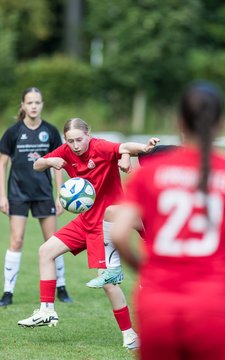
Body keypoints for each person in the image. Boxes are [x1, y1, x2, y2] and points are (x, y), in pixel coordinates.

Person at [111, 81, 225, 360]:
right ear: (220, 123)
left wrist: (147, 269)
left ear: (179, 121)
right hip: (214, 301)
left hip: (158, 301)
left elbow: (120, 233)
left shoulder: (151, 173)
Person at [17, 117, 159, 350]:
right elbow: (36, 165)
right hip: (84, 221)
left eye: (79, 140)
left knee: (108, 282)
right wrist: (50, 161)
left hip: (106, 223)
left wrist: (143, 148)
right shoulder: (66, 150)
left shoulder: (100, 147)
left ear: (89, 135)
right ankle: (47, 310)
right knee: (46, 251)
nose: (75, 145)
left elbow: (125, 148)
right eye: (70, 141)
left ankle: (129, 334)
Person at [0, 87, 72, 306]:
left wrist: (60, 194)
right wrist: (2, 195)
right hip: (17, 193)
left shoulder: (50, 131)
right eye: (29, 102)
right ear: (23, 105)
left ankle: (61, 287)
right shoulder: (12, 132)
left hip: (43, 194)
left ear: (42, 105)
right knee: (17, 240)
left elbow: (58, 165)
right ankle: (8, 292)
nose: (33, 106)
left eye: (37, 102)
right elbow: (2, 164)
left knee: (53, 242)